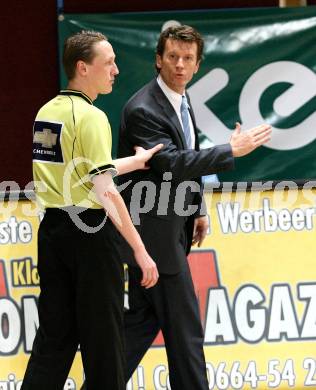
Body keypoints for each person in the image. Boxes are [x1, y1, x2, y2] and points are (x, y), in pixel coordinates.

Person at [117, 25, 272, 390]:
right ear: (158, 60)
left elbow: (187, 153)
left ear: (198, 64)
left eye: (188, 59)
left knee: (140, 323)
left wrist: (197, 208)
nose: (180, 65)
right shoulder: (143, 109)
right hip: (154, 238)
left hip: (166, 232)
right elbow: (170, 162)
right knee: (186, 335)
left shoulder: (181, 99)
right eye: (172, 57)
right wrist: (230, 150)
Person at [21, 30, 162, 390]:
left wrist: (135, 161)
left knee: (55, 338)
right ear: (83, 68)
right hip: (91, 234)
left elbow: (82, 167)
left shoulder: (45, 112)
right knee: (105, 340)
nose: (116, 69)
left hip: (53, 232)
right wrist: (140, 250)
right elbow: (104, 192)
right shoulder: (92, 116)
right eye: (109, 62)